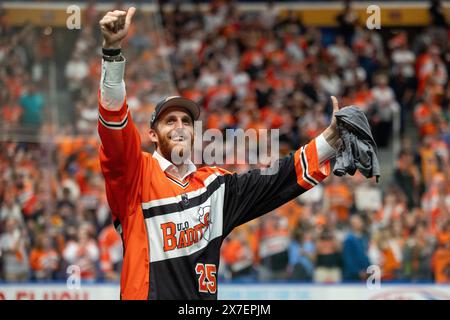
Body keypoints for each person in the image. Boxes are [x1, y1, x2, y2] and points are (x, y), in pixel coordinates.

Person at [98, 7, 342, 300]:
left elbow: (276, 180)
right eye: (169, 121)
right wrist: (112, 55)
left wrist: (329, 141)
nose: (179, 127)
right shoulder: (135, 177)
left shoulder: (214, 185)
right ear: (152, 135)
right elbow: (114, 130)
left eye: (186, 121)